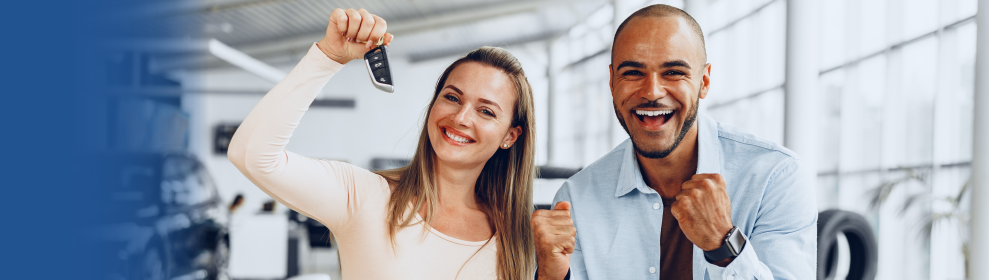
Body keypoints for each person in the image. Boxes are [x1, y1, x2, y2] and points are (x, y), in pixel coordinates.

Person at [228, 8, 539, 280]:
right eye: (452, 97)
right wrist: (327, 58)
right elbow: (252, 154)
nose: (460, 117)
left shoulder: (515, 235)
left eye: (486, 111)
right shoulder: (364, 196)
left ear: (510, 136)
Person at [531, 4, 816, 280]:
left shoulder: (775, 178)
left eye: (673, 72)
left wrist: (724, 245)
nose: (652, 92)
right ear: (611, 82)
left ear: (704, 82)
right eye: (633, 72)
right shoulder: (576, 200)